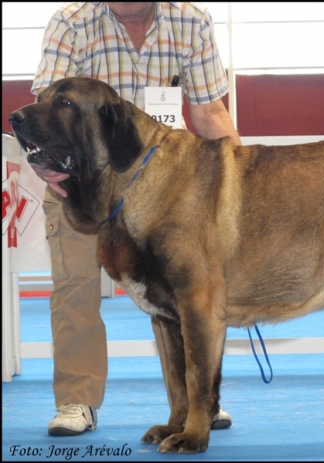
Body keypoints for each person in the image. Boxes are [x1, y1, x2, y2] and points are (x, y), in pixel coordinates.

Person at [30, 2, 241, 436]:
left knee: (185, 292)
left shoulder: (192, 20)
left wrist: (245, 181)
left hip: (165, 187)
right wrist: (50, 165)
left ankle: (195, 405)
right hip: (84, 181)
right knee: (75, 285)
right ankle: (77, 400)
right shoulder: (71, 22)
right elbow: (48, 111)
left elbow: (209, 112)